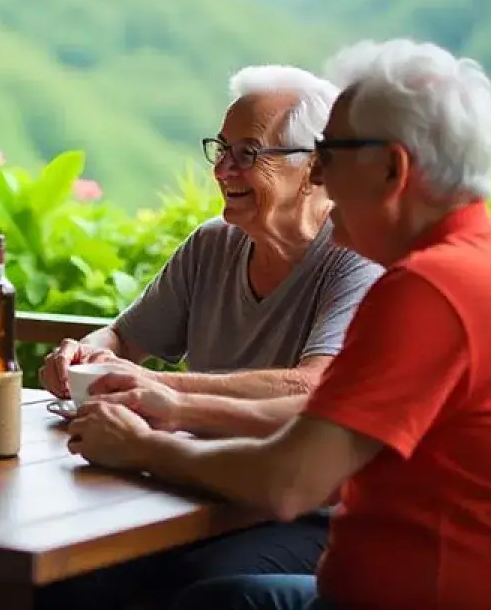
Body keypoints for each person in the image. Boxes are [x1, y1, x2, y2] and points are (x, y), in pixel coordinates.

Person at [69, 39, 491, 610]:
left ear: (392, 169)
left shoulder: (433, 290)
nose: (318, 176)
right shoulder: (485, 265)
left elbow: (289, 482)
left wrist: (143, 447)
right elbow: (316, 421)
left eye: (330, 155)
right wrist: (177, 407)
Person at [38, 65, 383, 607]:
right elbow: (123, 339)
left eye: (248, 153)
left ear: (315, 167)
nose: (223, 169)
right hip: (196, 490)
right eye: (221, 150)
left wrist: (156, 389)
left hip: (305, 512)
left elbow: (312, 388)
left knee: (185, 585)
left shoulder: (353, 258)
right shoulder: (212, 246)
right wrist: (88, 352)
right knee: (71, 579)